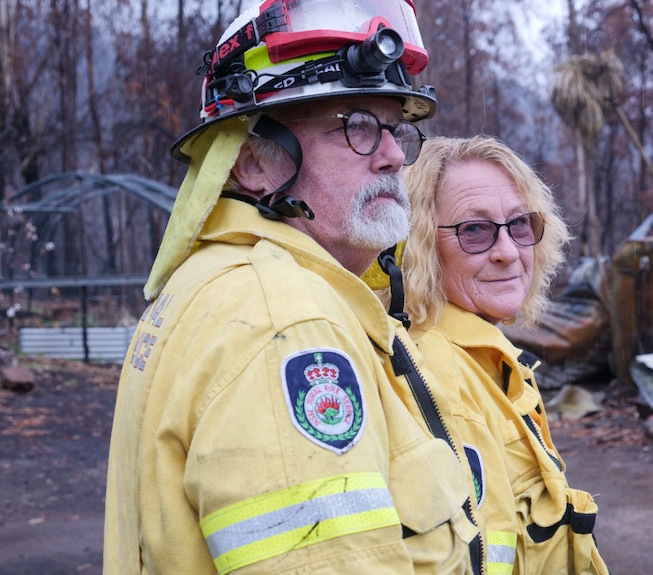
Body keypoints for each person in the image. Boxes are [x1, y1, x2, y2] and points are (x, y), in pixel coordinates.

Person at [103, 2, 482, 574]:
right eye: (355, 127)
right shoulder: (286, 322)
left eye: (396, 129)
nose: (394, 156)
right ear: (255, 163)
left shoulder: (222, 286)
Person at [395, 135, 611, 575]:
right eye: (474, 230)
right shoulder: (440, 376)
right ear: (419, 245)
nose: (509, 252)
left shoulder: (489, 361)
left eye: (519, 224)